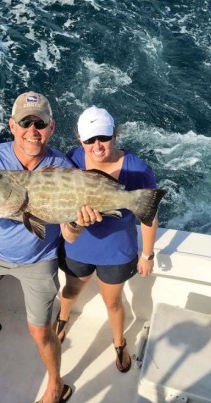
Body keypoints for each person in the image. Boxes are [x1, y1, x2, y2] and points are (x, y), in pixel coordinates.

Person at [0, 92, 100, 403]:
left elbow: (70, 235)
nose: (32, 130)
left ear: (51, 127)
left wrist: (77, 219)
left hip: (39, 259)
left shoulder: (62, 167)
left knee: (40, 332)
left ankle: (55, 387)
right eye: (25, 122)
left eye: (40, 123)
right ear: (12, 126)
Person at [54, 106, 158, 373]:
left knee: (112, 302)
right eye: (89, 140)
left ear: (115, 134)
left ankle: (119, 341)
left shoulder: (138, 169)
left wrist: (147, 254)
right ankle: (63, 317)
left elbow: (148, 212)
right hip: (77, 247)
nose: (97, 146)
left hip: (116, 252)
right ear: (80, 140)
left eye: (103, 137)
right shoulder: (72, 160)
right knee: (70, 290)